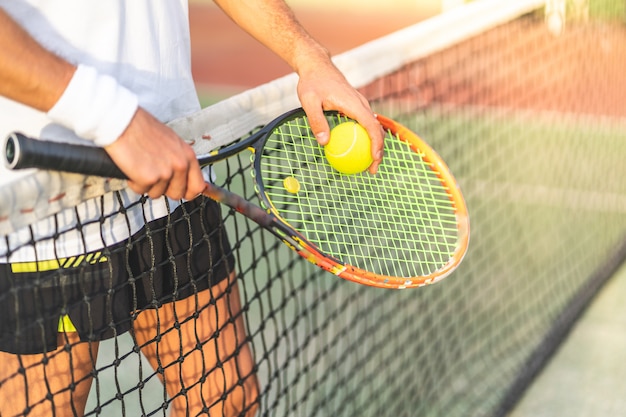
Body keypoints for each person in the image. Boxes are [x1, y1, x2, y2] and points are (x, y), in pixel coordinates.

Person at [0, 1, 384, 416]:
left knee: (226, 401)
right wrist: (116, 119)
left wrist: (309, 54)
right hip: (42, 204)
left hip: (173, 163)